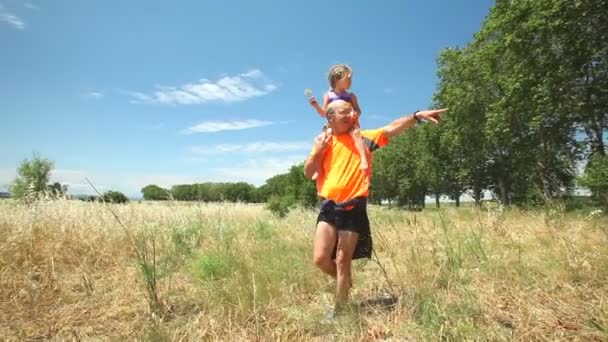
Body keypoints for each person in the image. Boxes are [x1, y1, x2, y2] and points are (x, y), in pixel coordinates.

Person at [303, 99, 446, 317]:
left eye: (353, 111)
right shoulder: (325, 141)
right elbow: (308, 171)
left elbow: (391, 129)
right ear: (330, 117)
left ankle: (340, 311)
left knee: (343, 259)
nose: (353, 115)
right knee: (321, 259)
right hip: (329, 205)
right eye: (345, 112)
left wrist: (416, 116)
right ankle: (346, 280)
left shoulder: (363, 137)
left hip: (353, 204)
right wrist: (318, 151)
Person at [307, 64, 369, 176]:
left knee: (356, 134)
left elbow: (358, 110)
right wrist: (316, 105)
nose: (351, 82)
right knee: (322, 139)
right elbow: (324, 113)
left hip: (350, 123)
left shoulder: (351, 96)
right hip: (334, 125)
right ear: (337, 79)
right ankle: (318, 166)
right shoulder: (328, 95)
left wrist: (355, 114)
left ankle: (363, 160)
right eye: (348, 79)